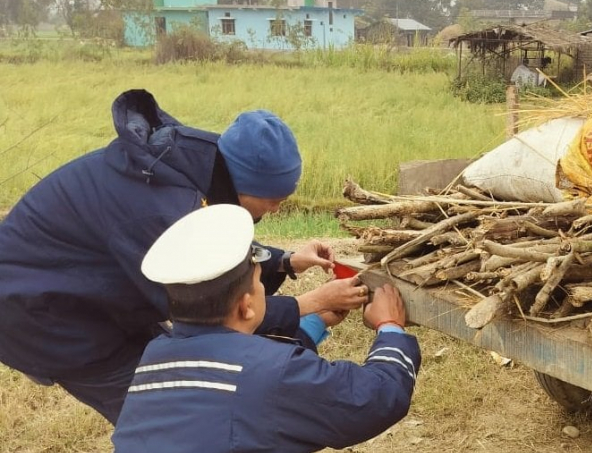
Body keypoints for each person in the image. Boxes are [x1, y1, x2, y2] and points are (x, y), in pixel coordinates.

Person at [0, 89, 367, 424]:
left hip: (96, 288)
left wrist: (284, 261)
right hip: (44, 312)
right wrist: (309, 304)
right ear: (245, 184)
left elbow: (214, 252)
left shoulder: (200, 165)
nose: (275, 210)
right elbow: (209, 309)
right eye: (273, 200)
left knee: (185, 382)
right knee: (165, 417)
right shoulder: (164, 208)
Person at [112, 204, 420, 452]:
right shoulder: (273, 374)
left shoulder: (155, 355)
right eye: (260, 283)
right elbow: (373, 400)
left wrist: (314, 321)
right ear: (245, 306)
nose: (262, 288)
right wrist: (390, 326)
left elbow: (248, 369)